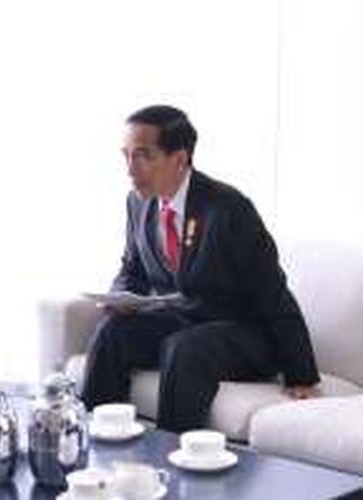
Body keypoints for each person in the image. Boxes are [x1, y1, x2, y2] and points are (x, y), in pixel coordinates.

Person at [81, 105, 320, 432]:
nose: (130, 169)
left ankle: (171, 463)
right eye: (126, 156)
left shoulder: (228, 209)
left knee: (185, 348)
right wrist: (121, 299)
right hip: (185, 322)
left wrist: (302, 375)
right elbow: (133, 269)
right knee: (113, 333)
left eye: (143, 156)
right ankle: (94, 445)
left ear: (179, 159)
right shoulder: (138, 202)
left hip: (244, 333)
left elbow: (272, 292)